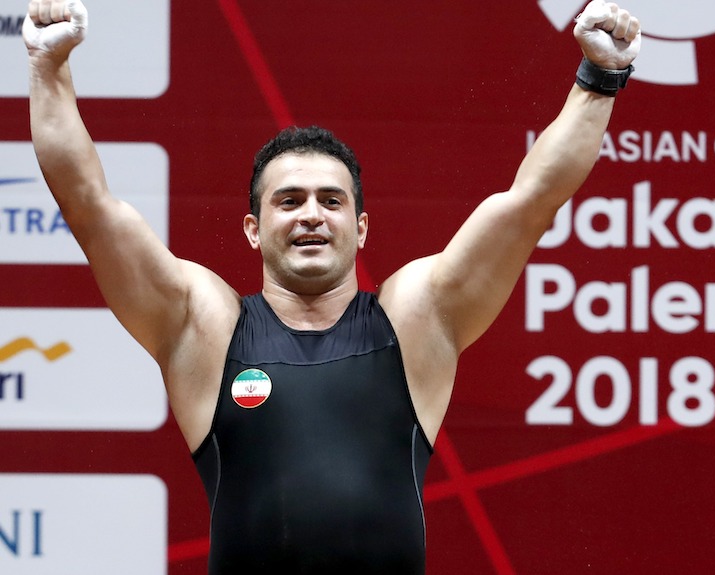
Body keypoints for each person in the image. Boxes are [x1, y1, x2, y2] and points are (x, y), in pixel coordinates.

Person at [23, 0, 641, 572]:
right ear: (253, 229)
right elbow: (88, 206)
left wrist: (599, 78)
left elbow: (531, 203)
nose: (311, 214)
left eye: (331, 200)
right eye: (288, 200)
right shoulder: (204, 327)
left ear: (362, 226)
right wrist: (48, 66)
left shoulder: (417, 320)